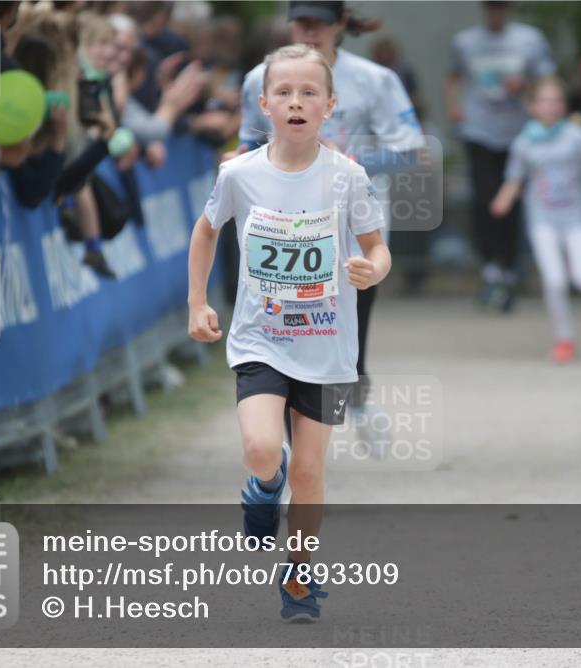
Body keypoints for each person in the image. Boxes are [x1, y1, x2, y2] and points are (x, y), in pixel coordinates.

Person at [187, 44, 390, 622]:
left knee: (309, 471)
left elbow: (378, 248)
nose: (296, 102)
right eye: (284, 93)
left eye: (308, 93)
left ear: (330, 106)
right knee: (259, 450)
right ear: (264, 105)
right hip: (262, 339)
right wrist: (197, 302)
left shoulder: (348, 177)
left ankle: (298, 577)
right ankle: (261, 486)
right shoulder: (240, 174)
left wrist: (371, 268)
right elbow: (206, 232)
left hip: (327, 349)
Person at [234, 0, 423, 430]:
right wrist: (240, 156)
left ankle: (354, 395)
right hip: (282, 231)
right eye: (301, 22)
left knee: (347, 331)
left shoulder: (375, 80)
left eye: (320, 23)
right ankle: (287, 436)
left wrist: (345, 159)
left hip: (352, 232)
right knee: (280, 332)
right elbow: (250, 138)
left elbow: (409, 151)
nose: (309, 32)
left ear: (340, 24)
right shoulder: (256, 80)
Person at [490, 78, 581, 363]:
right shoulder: (524, 142)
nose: (550, 106)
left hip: (577, 219)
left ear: (563, 106)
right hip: (542, 220)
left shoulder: (577, 136)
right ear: (532, 106)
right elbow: (514, 180)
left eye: (556, 101)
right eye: (544, 101)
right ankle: (564, 339)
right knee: (554, 280)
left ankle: (573, 267)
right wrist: (503, 200)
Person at [445, 0, 555, 312]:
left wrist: (526, 87)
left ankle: (510, 267)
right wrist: (455, 110)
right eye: (491, 6)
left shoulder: (529, 40)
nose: (497, 12)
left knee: (513, 203)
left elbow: (546, 82)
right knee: (484, 200)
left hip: (518, 134)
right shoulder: (466, 41)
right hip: (479, 132)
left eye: (502, 6)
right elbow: (452, 77)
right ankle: (490, 265)